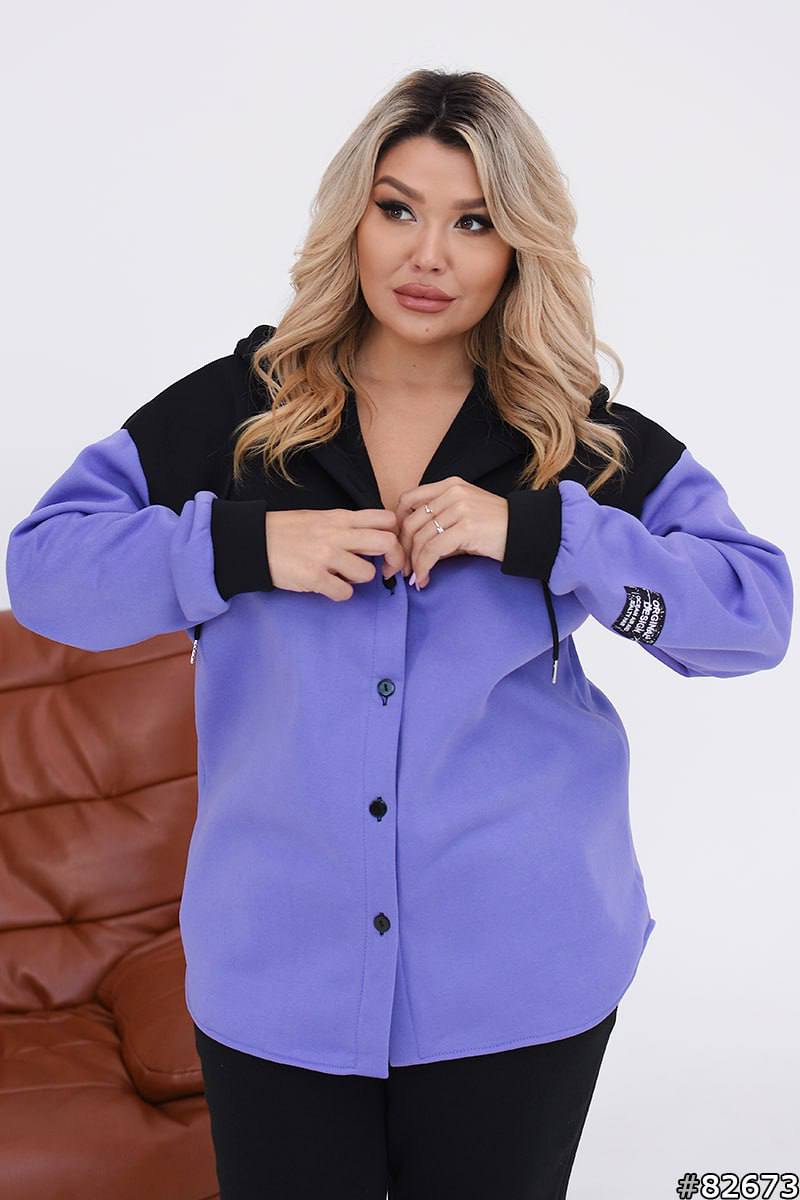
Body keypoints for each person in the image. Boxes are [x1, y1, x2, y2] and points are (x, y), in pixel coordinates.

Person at [5, 68, 793, 1200]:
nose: (428, 256)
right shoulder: (241, 411)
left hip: (520, 977)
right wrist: (241, 548)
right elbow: (44, 571)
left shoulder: (573, 438)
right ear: (353, 218)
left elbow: (753, 616)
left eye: (473, 222)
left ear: (517, 246)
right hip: (275, 978)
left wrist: (546, 536)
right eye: (398, 209)